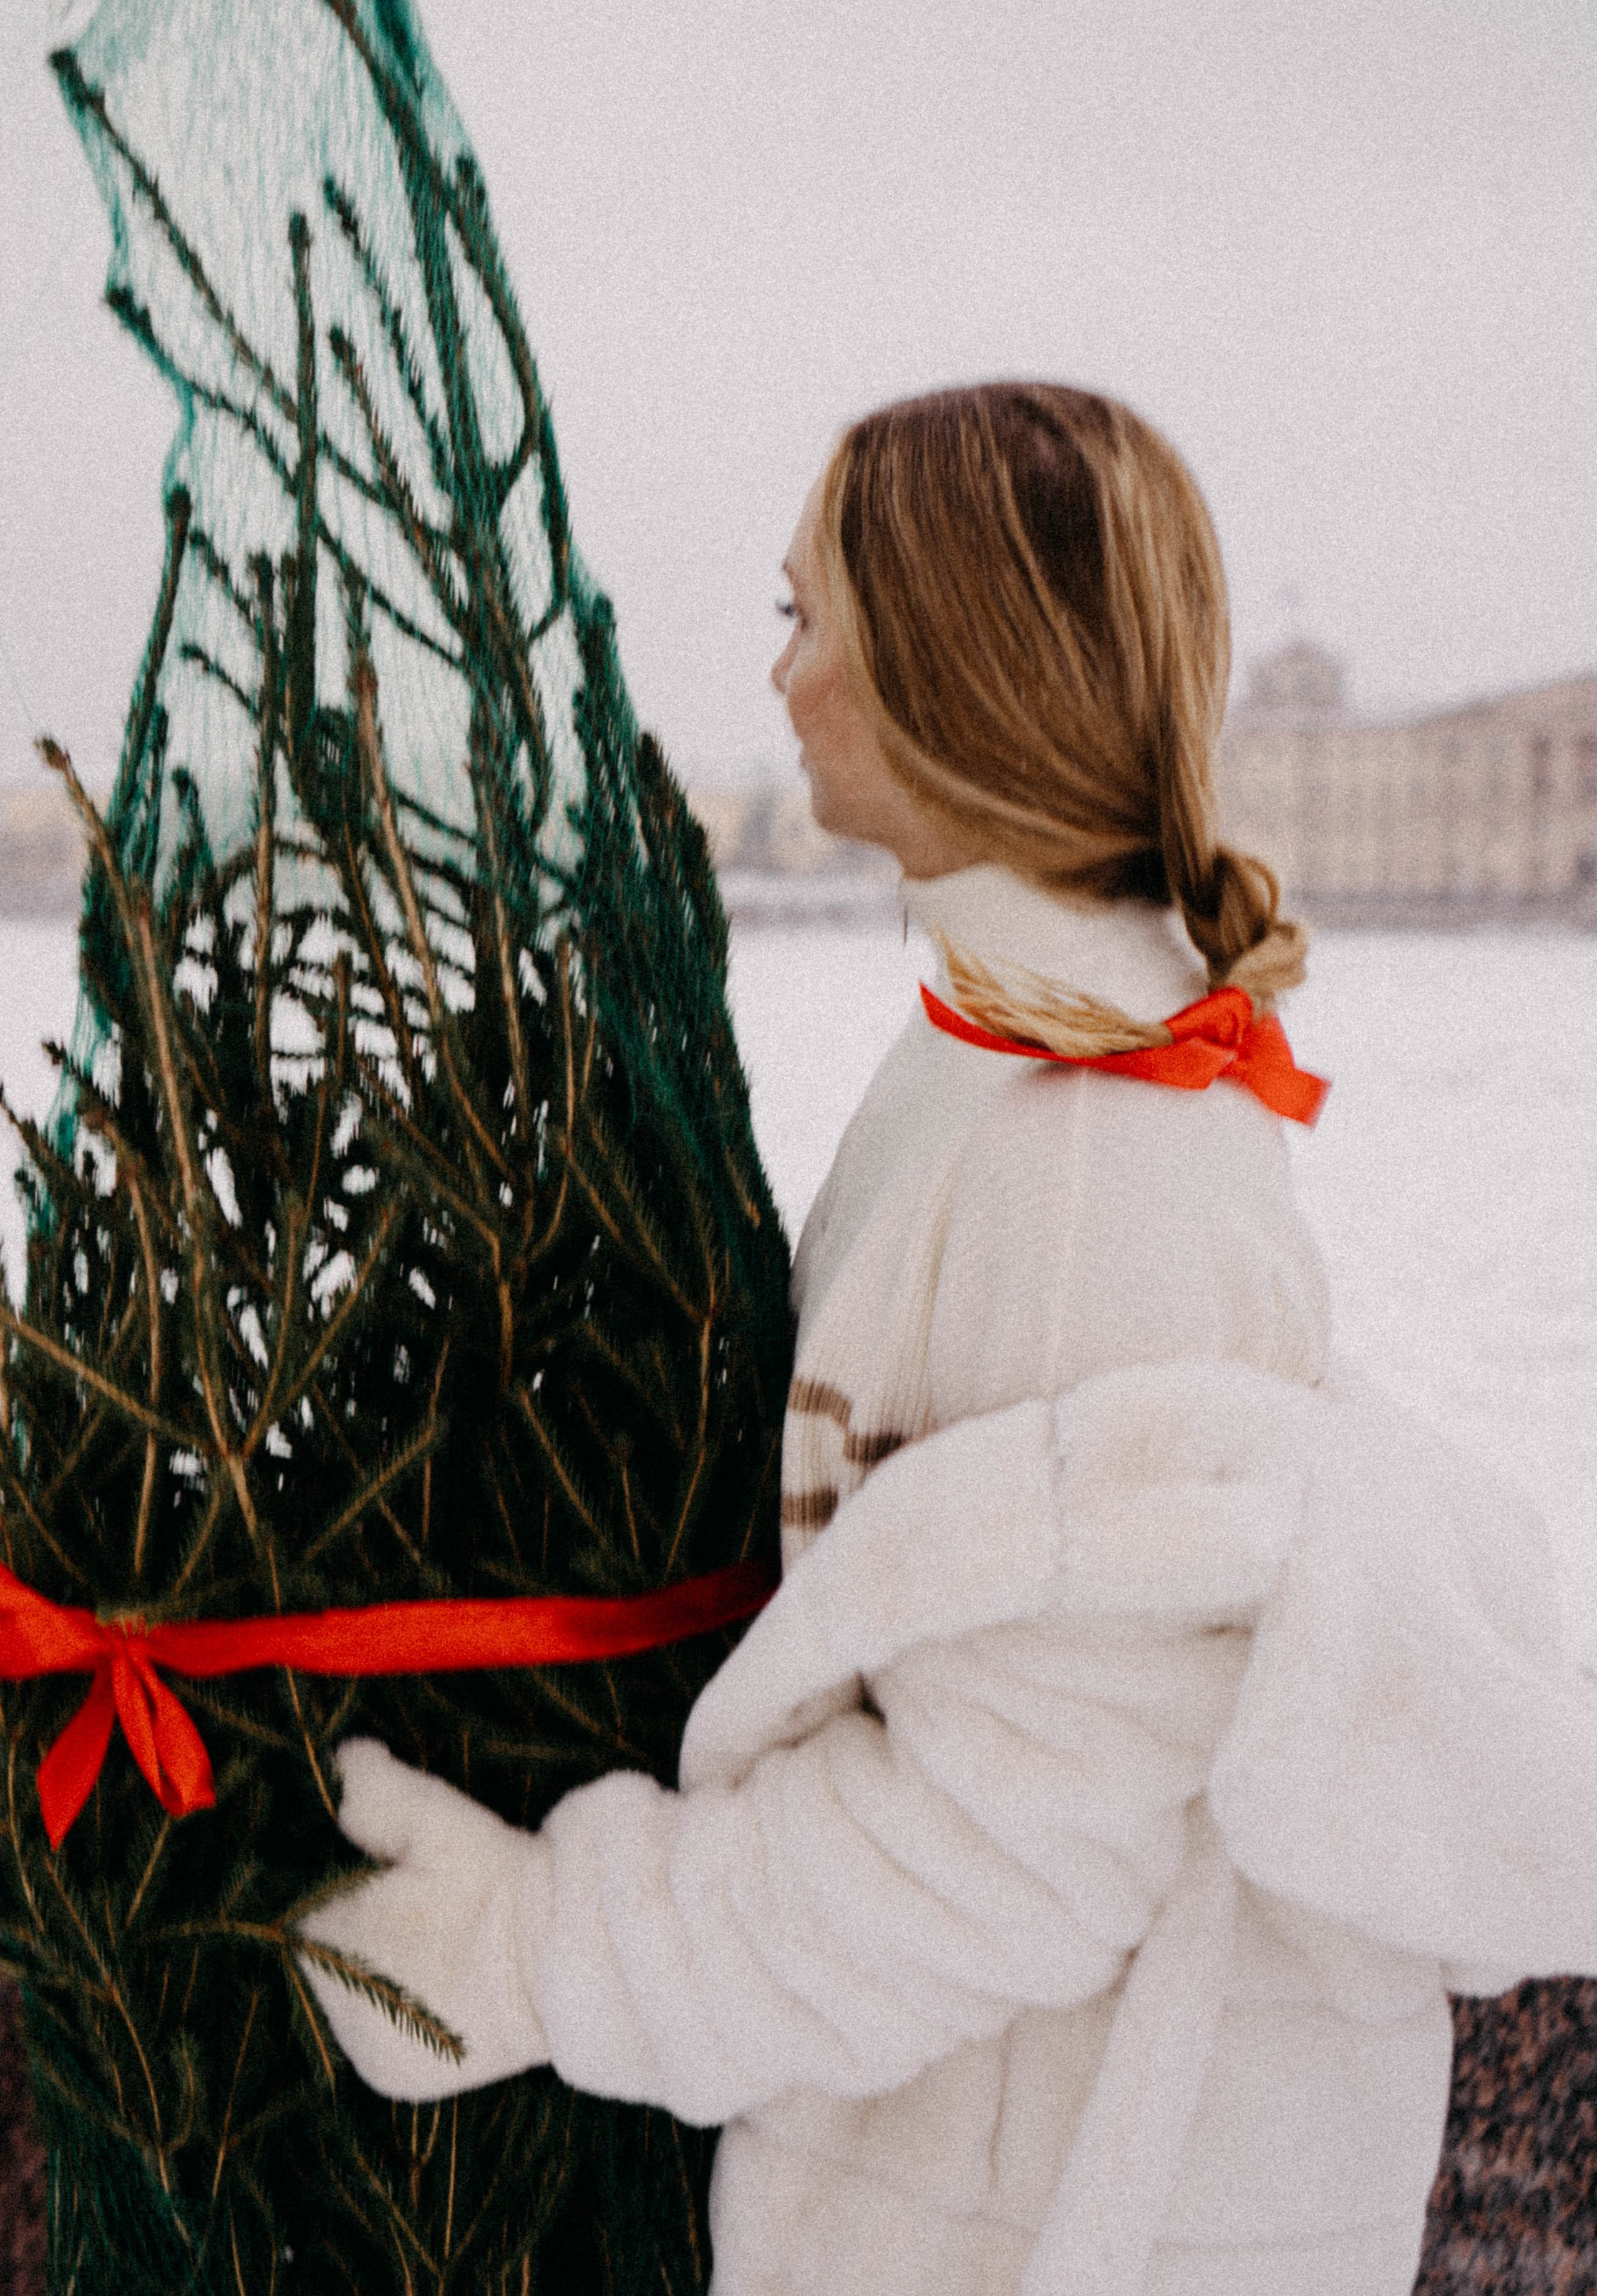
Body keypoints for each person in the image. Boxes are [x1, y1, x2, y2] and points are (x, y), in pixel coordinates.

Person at [302, 384, 1597, 2296]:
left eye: (810, 613)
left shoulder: (1087, 1164)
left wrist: (543, 1952)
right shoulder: (1015, 1059)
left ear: (946, 670)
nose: (783, 673)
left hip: (1033, 2225)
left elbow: (1005, 1856)